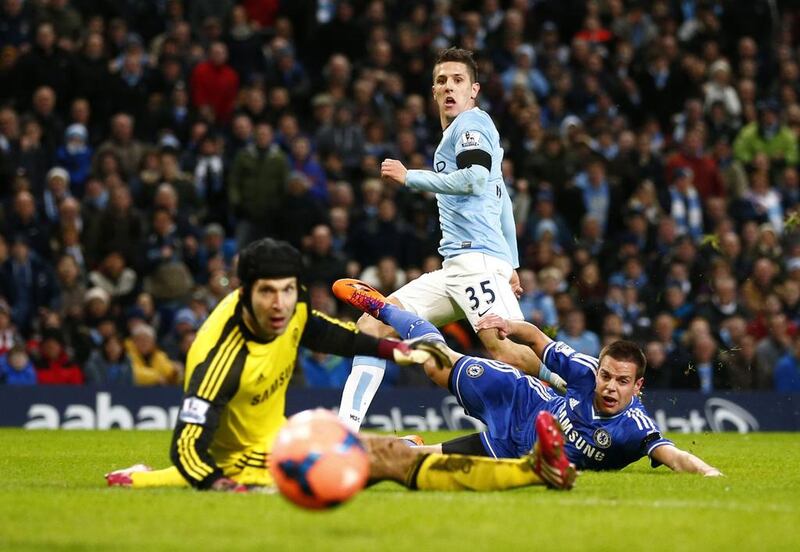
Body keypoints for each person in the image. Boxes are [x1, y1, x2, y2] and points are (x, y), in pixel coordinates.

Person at [105, 238, 574, 492]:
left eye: (289, 290)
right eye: (269, 292)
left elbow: (344, 339)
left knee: (394, 457)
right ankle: (532, 471)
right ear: (243, 292)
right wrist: (222, 485)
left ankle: (532, 469)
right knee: (390, 462)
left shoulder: (292, 310)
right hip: (251, 463)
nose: (281, 303)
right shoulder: (218, 356)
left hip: (286, 438)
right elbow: (187, 449)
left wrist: (406, 352)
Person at [339, 47, 565, 431]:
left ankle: (578, 393)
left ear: (473, 89)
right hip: (458, 267)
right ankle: (345, 431)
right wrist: (511, 263)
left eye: (458, 80)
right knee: (372, 324)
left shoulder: (471, 126)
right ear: (432, 91)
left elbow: (474, 179)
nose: (449, 87)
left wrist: (409, 176)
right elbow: (501, 198)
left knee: (505, 348)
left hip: (475, 261)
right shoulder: (457, 134)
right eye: (442, 80)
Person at [335, 278, 721, 476]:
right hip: (517, 397)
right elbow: (537, 338)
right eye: (606, 375)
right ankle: (382, 308)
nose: (608, 386)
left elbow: (674, 456)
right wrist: (506, 323)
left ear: (638, 387)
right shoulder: (585, 373)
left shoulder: (635, 427)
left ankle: (404, 443)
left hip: (509, 448)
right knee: (436, 363)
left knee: (412, 462)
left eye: (622, 381)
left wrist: (707, 472)